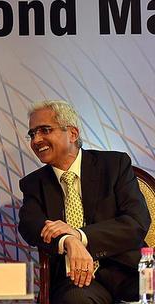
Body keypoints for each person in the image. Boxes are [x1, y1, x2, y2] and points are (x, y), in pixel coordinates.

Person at [18, 100, 151, 303]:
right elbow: (30, 226)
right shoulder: (33, 184)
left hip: (130, 271)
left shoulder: (114, 165)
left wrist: (80, 236)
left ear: (72, 133)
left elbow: (136, 222)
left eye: (45, 130)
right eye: (32, 134)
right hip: (76, 281)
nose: (36, 140)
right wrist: (68, 240)